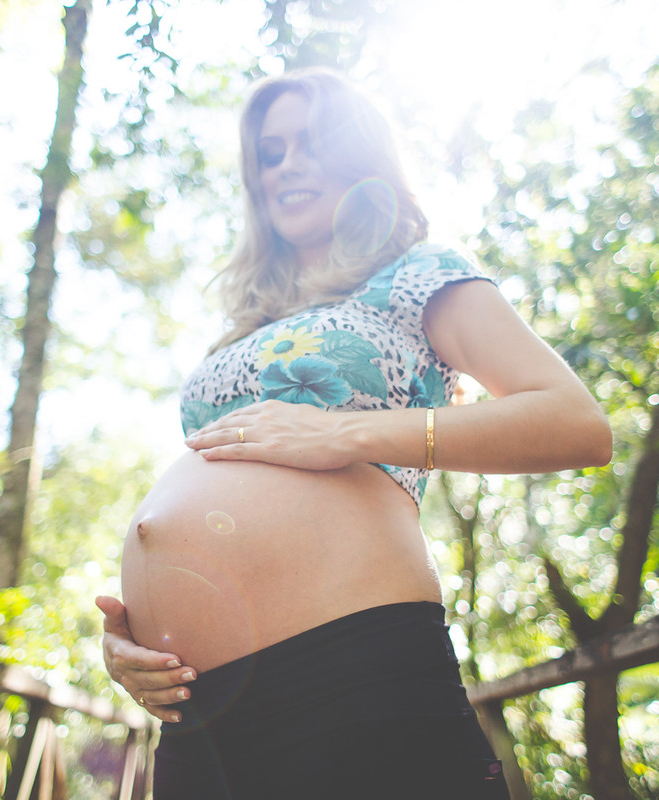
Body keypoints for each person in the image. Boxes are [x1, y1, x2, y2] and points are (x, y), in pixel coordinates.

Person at [95, 68, 612, 799]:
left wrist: (345, 435)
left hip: (351, 671)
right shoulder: (244, 331)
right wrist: (133, 640)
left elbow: (576, 423)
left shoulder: (414, 274)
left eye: (311, 143)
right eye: (270, 153)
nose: (288, 165)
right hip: (199, 715)